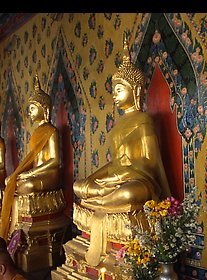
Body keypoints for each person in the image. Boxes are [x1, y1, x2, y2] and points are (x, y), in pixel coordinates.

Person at [73, 35, 170, 211]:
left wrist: (119, 177)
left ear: (136, 90)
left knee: (129, 194)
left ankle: (101, 203)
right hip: (115, 181)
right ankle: (101, 200)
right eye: (114, 91)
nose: (115, 96)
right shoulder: (118, 126)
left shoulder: (143, 120)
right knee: (78, 186)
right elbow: (116, 162)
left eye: (119, 90)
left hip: (137, 181)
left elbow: (149, 162)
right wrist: (92, 179)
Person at [0, 76, 64, 240]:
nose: (29, 112)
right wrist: (26, 173)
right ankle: (14, 224)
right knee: (9, 181)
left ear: (44, 109)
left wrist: (31, 174)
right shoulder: (35, 133)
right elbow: (33, 160)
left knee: (26, 185)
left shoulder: (52, 130)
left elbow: (55, 161)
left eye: (33, 108)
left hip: (49, 175)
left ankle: (18, 224)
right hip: (36, 173)